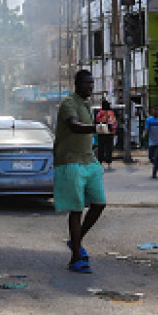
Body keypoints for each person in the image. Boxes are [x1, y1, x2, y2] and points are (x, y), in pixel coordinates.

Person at [54, 69, 108, 274]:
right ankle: (76, 257)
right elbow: (74, 125)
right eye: (87, 83)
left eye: (92, 83)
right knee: (76, 209)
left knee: (99, 203)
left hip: (88, 161)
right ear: (77, 84)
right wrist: (96, 128)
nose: (90, 87)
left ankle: (76, 242)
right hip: (70, 162)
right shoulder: (69, 103)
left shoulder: (87, 105)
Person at [94, 99, 116, 165]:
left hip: (101, 132)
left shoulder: (100, 113)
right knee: (109, 147)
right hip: (110, 132)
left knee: (101, 146)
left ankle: (100, 159)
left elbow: (97, 120)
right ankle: (108, 160)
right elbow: (114, 122)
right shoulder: (111, 113)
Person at [145, 105, 158, 178]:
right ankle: (156, 164)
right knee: (150, 157)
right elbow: (146, 129)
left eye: (157, 110)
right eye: (154, 110)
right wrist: (144, 134)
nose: (155, 112)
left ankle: (154, 172)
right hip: (152, 142)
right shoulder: (149, 120)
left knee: (156, 157)